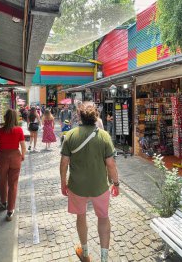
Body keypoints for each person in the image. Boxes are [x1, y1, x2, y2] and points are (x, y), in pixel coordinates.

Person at [60, 104, 120, 262]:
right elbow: (111, 164)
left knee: (81, 217)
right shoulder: (104, 136)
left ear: (79, 117)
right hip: (99, 186)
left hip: (77, 186)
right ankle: (104, 258)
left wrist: (62, 183)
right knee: (103, 218)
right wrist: (116, 183)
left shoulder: (70, 135)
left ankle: (85, 254)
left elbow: (64, 163)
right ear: (96, 117)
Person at [0, 109, 26, 221]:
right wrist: (23, 156)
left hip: (3, 157)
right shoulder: (19, 130)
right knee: (13, 184)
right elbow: (23, 146)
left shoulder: (0, 131)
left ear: (5, 118)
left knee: (3, 181)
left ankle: (3, 202)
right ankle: (10, 210)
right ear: (15, 118)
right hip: (15, 157)